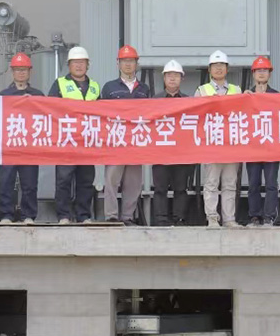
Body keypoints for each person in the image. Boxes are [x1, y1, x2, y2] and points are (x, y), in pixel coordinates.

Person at [48, 46, 100, 224]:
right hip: (67, 140)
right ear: (69, 65)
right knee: (64, 179)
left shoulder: (95, 87)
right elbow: (49, 109)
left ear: (88, 65)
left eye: (82, 62)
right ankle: (63, 215)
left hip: (87, 140)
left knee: (86, 180)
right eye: (75, 62)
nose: (79, 66)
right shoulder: (60, 84)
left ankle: (83, 215)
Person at [101, 45, 149, 225]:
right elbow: (101, 114)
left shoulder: (144, 89)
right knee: (111, 180)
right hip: (116, 140)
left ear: (137, 63)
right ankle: (111, 216)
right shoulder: (109, 88)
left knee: (133, 182)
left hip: (136, 141)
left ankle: (128, 216)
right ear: (118, 63)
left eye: (131, 61)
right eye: (124, 61)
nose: (128, 64)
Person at [195, 50, 242, 228]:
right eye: (215, 65)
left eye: (222, 65)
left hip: (231, 145)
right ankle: (212, 218)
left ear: (227, 68)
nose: (219, 68)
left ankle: (229, 219)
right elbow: (196, 116)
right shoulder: (201, 91)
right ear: (209, 69)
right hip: (211, 144)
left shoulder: (236, 90)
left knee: (230, 183)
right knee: (211, 183)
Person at [0, 53, 43, 224]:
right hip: (9, 145)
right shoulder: (4, 94)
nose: (21, 73)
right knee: (6, 182)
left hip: (29, 147)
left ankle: (28, 215)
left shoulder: (38, 95)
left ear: (30, 71)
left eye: (24, 69)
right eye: (18, 70)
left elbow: (45, 117)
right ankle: (6, 215)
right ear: (12, 72)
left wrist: (34, 103)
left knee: (29, 183)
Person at [152, 60, 194, 226]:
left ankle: (179, 219)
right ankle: (160, 219)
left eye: (176, 75)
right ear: (164, 78)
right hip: (160, 151)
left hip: (181, 153)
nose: (172, 78)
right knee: (160, 188)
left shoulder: (189, 101)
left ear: (181, 79)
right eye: (169, 75)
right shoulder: (154, 100)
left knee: (181, 188)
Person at [245, 56, 280, 227]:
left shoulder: (277, 97)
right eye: (258, 70)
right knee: (253, 184)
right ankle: (254, 216)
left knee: (271, 183)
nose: (261, 73)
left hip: (271, 147)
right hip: (252, 147)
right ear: (253, 74)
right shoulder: (246, 96)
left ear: (269, 74)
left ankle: (269, 216)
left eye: (264, 70)